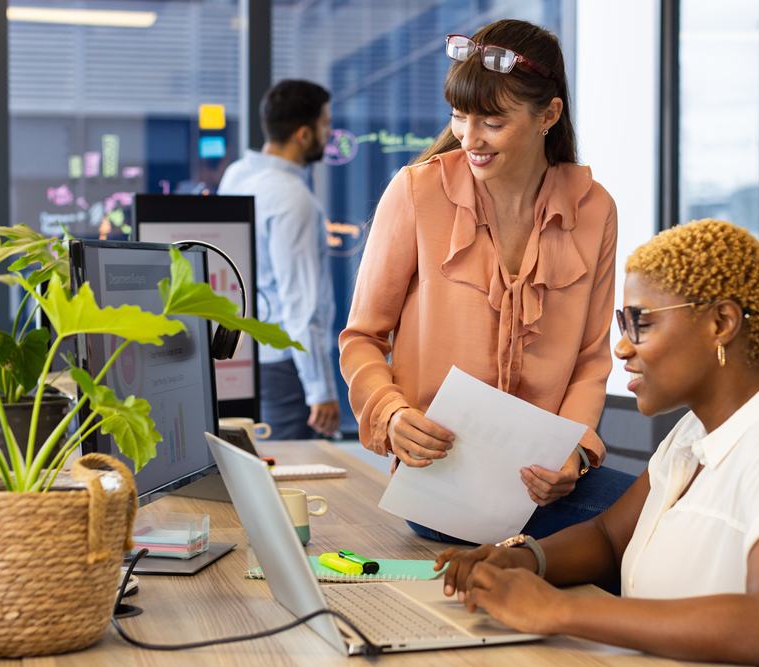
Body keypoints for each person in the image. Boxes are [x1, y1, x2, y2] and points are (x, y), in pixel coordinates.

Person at [435, 219, 759, 667]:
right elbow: (611, 537)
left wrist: (556, 611)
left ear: (722, 322)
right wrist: (521, 559)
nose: (620, 348)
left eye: (641, 323)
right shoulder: (695, 430)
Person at [339, 19, 635, 543]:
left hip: (543, 484)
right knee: (644, 532)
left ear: (549, 114)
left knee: (664, 520)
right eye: (459, 116)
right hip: (440, 481)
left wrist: (575, 451)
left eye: (492, 123)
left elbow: (592, 360)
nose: (468, 137)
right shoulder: (415, 193)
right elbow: (362, 338)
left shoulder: (596, 210)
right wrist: (391, 414)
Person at [219, 80, 340, 440]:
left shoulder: (237, 176)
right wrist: (321, 390)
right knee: (297, 479)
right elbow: (300, 304)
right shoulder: (293, 198)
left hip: (243, 355)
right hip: (286, 368)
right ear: (304, 134)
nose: (329, 133)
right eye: (325, 125)